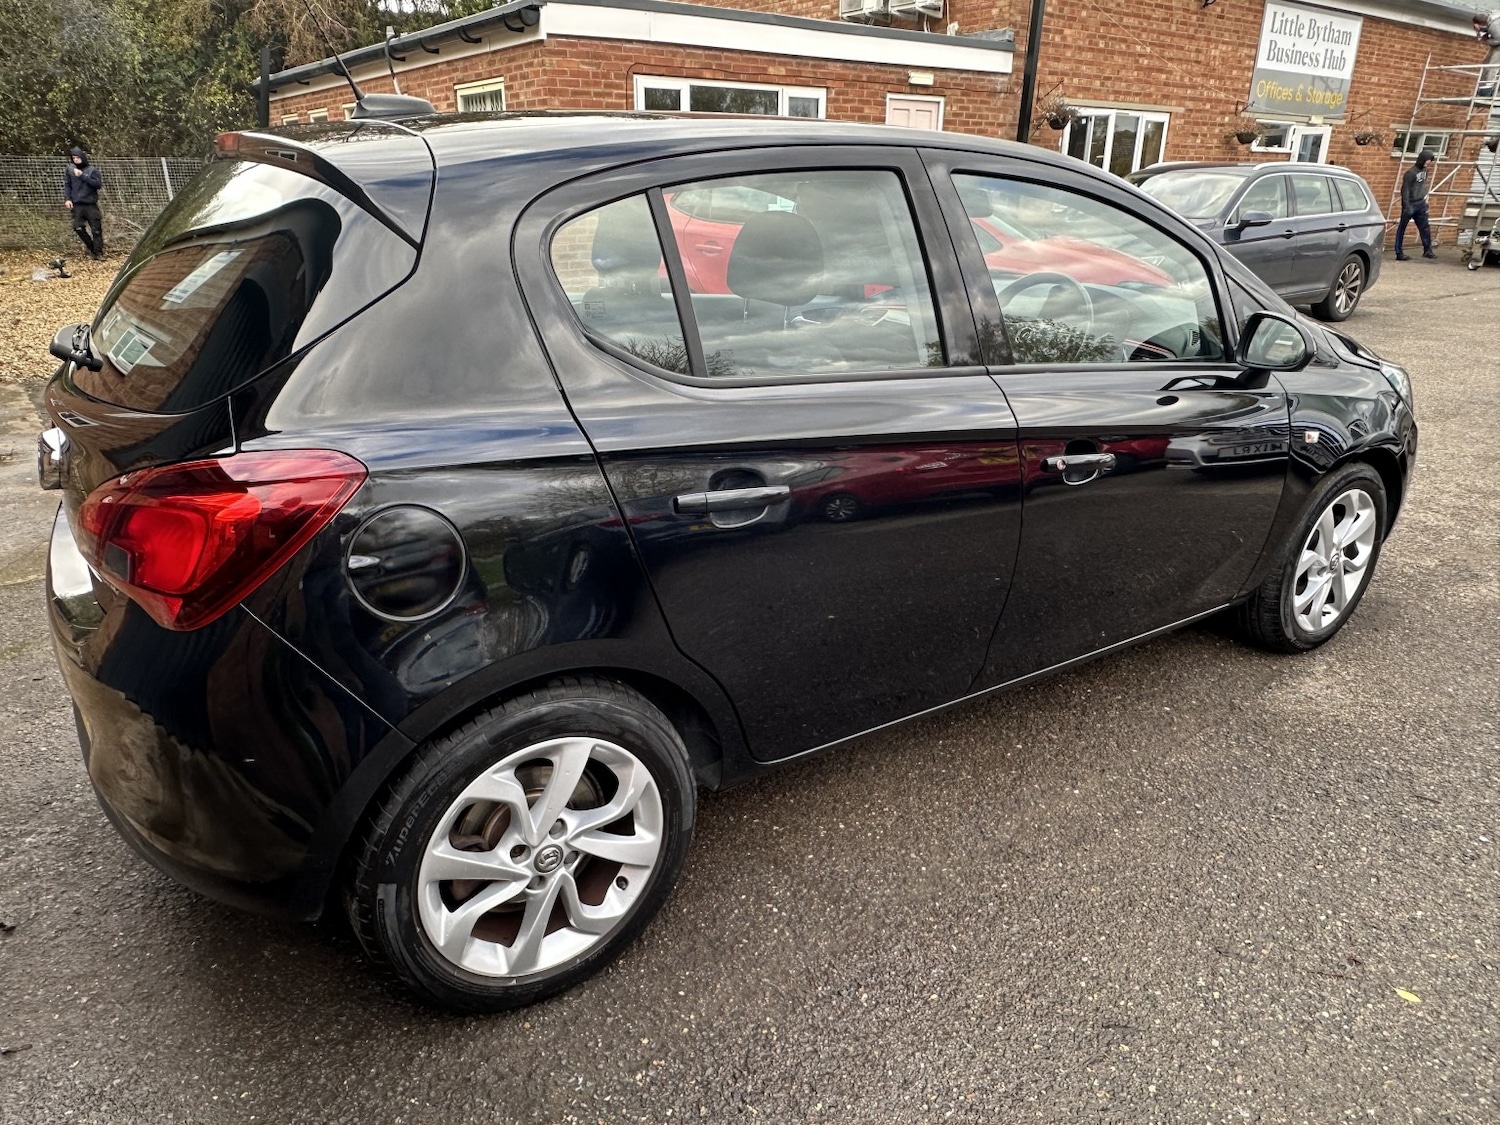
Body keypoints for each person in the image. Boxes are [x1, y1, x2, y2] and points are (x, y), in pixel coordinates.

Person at [63, 145, 103, 260]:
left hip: (90, 204)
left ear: (82, 157)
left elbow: (97, 184)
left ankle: (98, 253)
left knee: (96, 230)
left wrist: (83, 176)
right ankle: (92, 249)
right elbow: (67, 185)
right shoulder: (70, 170)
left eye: (77, 157)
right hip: (77, 204)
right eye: (74, 158)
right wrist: (67, 199)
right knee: (78, 227)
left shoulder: (92, 170)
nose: (76, 160)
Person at [1395, 149, 1437, 260]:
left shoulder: (1425, 171)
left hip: (1421, 203)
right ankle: (1399, 252)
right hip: (1411, 204)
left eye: (1430, 161)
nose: (1428, 163)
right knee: (1402, 228)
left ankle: (1428, 250)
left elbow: (1422, 185)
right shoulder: (1410, 173)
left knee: (1425, 228)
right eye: (1427, 161)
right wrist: (1406, 205)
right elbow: (1405, 190)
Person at [1475, 10, 1500, 98]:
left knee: (1493, 65)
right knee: (1486, 64)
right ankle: (1484, 87)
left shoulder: (1494, 25)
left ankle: (1488, 89)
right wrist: (1481, 30)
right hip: (1497, 45)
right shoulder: (1493, 19)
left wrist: (1488, 40)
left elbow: (1498, 39)